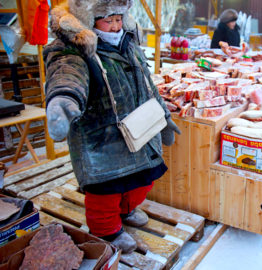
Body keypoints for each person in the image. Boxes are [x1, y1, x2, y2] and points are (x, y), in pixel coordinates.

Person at [44, 0, 180, 254]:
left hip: (139, 130)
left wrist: (163, 116)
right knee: (105, 192)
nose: (116, 26)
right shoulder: (72, 49)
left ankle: (126, 210)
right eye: (108, 20)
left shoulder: (129, 43)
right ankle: (106, 231)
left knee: (143, 181)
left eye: (119, 18)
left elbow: (147, 83)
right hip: (101, 138)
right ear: (88, 20)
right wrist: (64, 98)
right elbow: (67, 72)